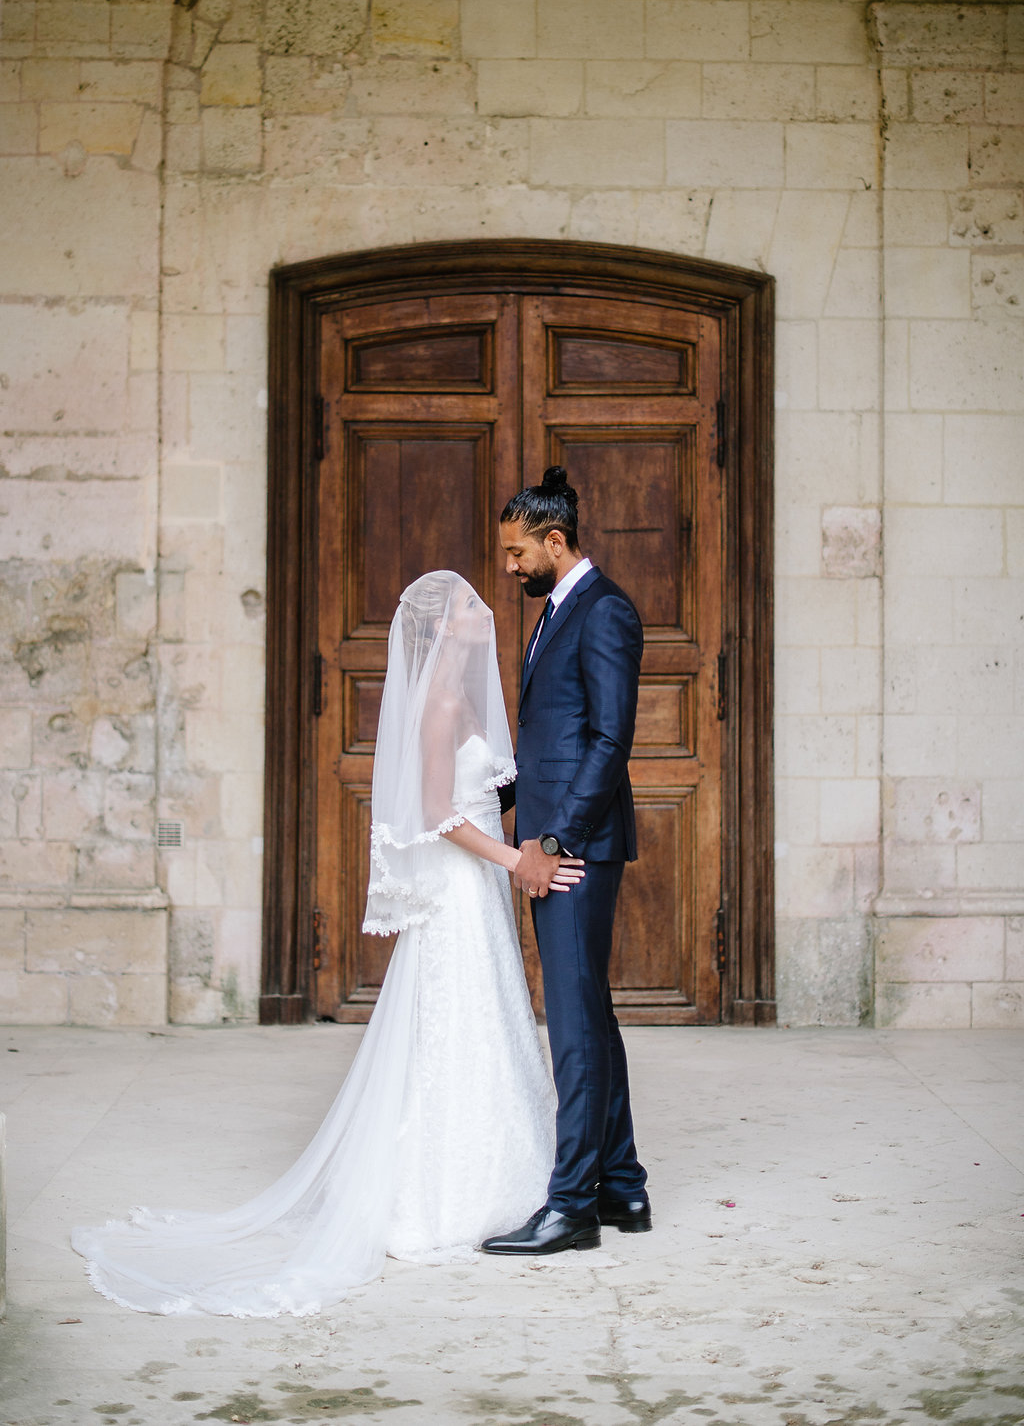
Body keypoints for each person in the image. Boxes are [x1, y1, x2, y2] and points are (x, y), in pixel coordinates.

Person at [72, 571, 576, 1316]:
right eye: (469, 604)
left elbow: (490, 790)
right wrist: (515, 860)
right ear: (442, 628)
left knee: (488, 1022)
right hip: (461, 883)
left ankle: (509, 1176)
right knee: (453, 1024)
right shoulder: (439, 704)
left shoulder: (471, 697)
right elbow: (439, 812)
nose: (484, 609)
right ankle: (433, 1197)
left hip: (477, 892)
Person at [481, 466, 650, 1257]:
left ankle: (571, 1204)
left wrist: (552, 844)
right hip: (554, 836)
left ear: (557, 541)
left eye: (519, 553)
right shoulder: (557, 610)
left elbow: (610, 741)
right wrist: (484, 800)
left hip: (572, 851)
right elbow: (552, 740)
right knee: (592, 1012)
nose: (509, 566)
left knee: (575, 1027)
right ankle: (622, 1182)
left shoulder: (605, 610)